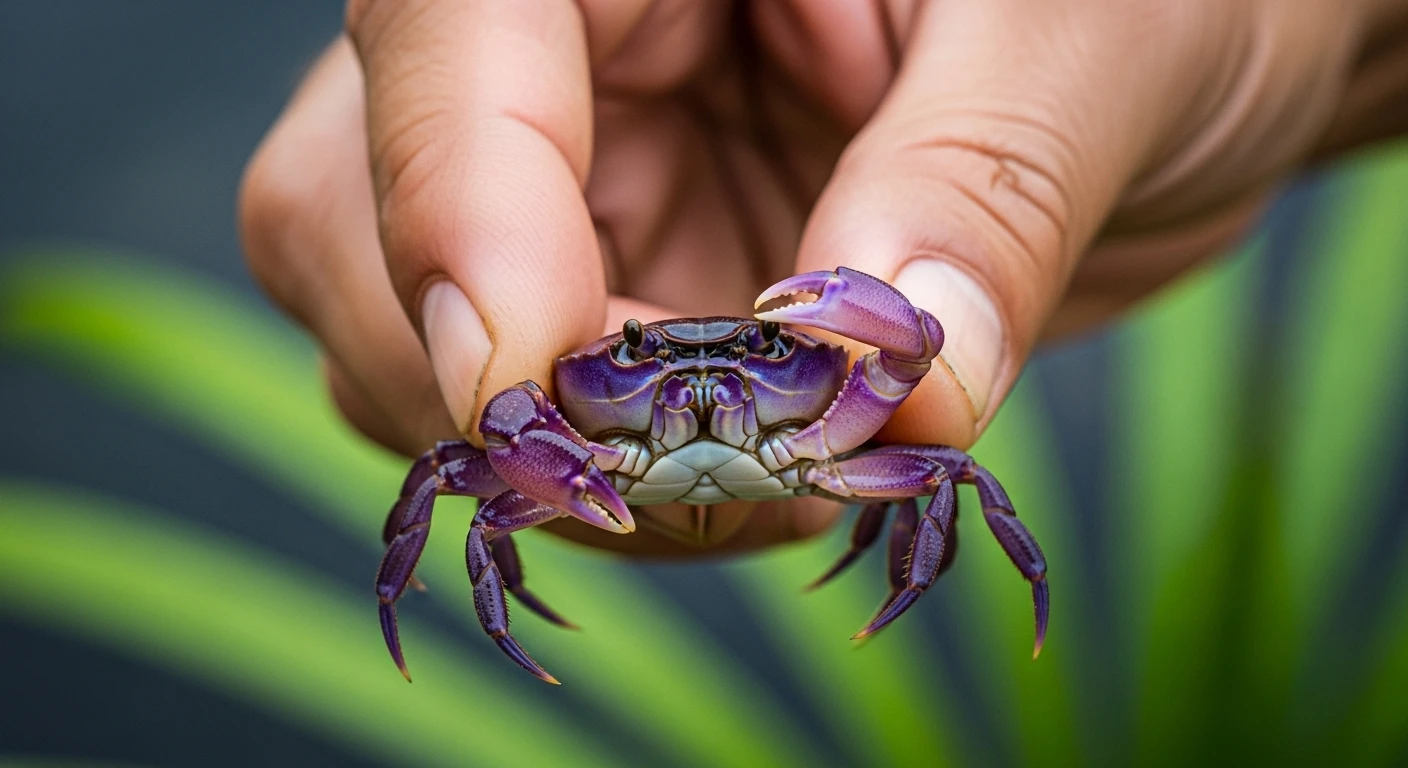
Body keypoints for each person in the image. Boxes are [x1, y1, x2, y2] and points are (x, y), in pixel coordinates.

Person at [239, 0, 1408, 554]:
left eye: (747, 362)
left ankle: (888, 573)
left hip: (733, 453)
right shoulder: (583, 419)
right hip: (603, 461)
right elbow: (490, 426)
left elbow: (932, 418)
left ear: (794, 358)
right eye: (653, 366)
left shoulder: (850, 410)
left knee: (954, 479)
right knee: (457, 465)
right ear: (605, 370)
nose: (704, 388)